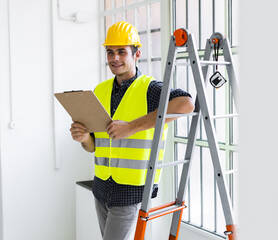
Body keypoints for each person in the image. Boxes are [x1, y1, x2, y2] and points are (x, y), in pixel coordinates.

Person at [69, 21, 194, 240]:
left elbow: (186, 104)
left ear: (136, 54)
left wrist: (131, 127)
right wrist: (83, 138)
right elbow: (94, 146)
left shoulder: (150, 89)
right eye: (110, 52)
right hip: (101, 189)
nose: (114, 58)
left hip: (130, 191)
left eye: (121, 52)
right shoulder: (100, 90)